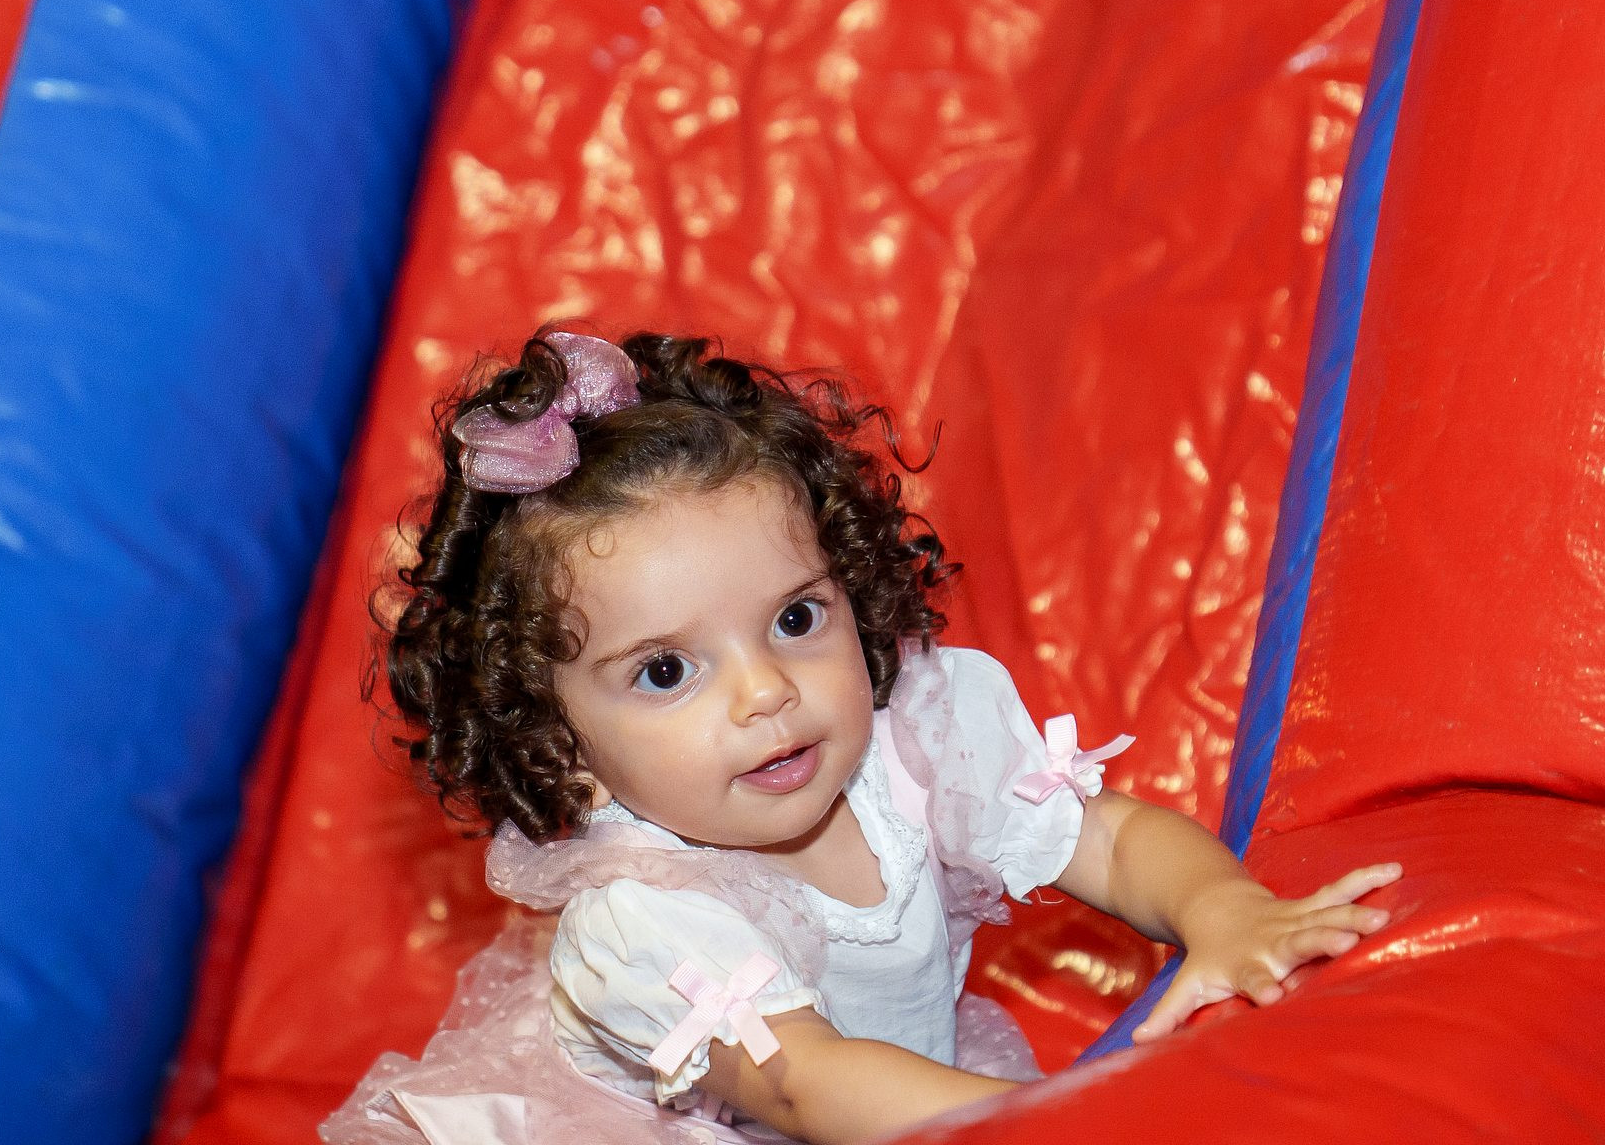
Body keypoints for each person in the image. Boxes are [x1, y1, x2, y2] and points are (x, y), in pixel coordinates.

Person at [322, 328, 1400, 1145]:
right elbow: (808, 1084)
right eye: (666, 671)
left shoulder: (918, 749)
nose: (766, 693)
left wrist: (1222, 910)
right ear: (559, 746)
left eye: (796, 619)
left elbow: (1110, 840)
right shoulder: (645, 919)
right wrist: (1051, 1122)